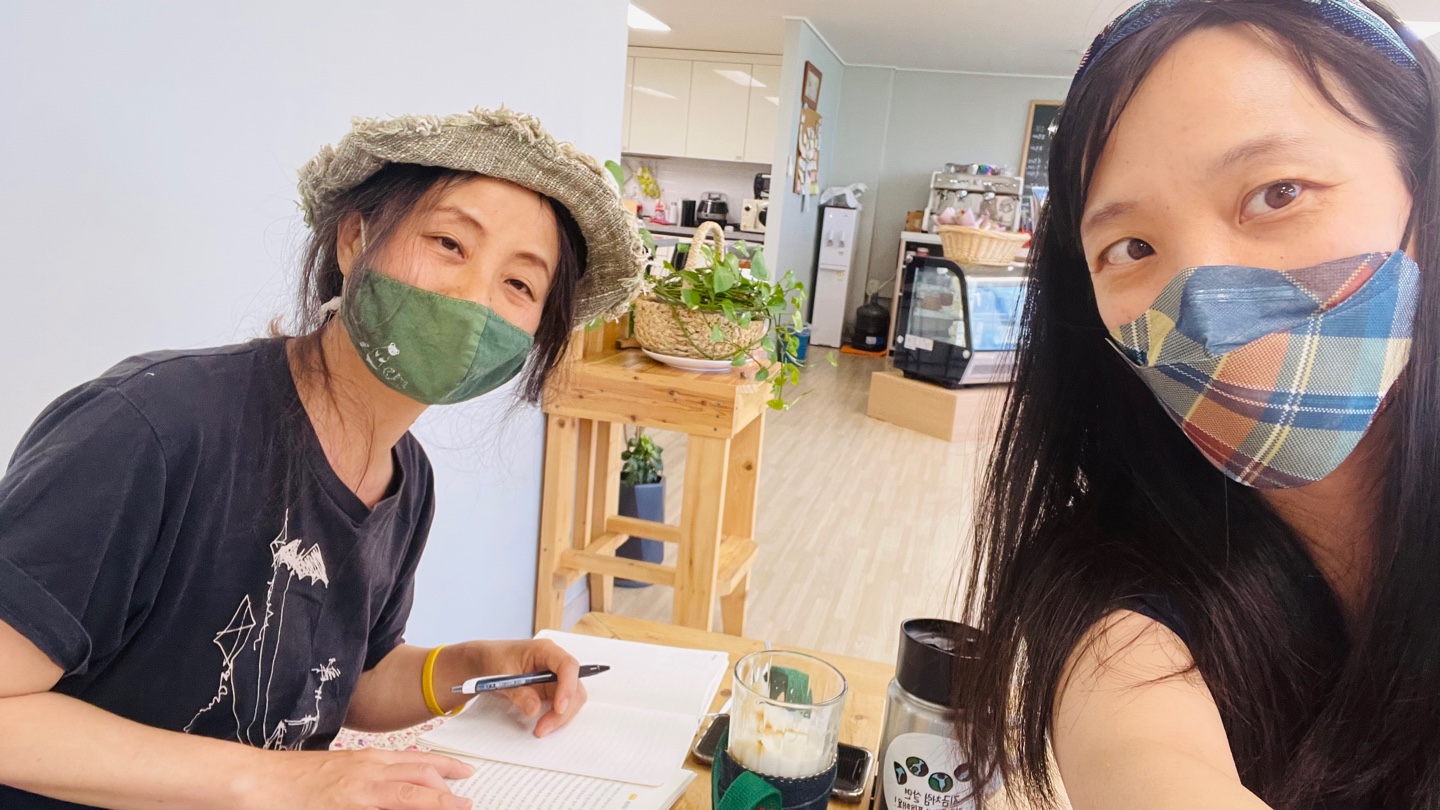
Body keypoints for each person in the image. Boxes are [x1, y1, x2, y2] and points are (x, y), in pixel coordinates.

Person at [0, 107, 647, 809]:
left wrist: (475, 666)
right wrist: (283, 780)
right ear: (353, 239)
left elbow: (345, 681)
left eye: (520, 285)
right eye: (448, 243)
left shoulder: (407, 481)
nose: (474, 298)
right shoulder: (154, 427)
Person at [951, 1, 1440, 808]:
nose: (1207, 306)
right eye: (1132, 248)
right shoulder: (1107, 598)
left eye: (1278, 192)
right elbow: (1144, 762)